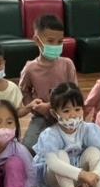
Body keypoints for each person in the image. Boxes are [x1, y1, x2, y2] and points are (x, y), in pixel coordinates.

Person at [34, 82, 100, 187]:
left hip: (83, 178)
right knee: (60, 155)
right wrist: (82, 174)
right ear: (54, 113)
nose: (73, 115)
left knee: (94, 151)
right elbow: (53, 164)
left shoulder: (88, 128)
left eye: (77, 109)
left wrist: (95, 174)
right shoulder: (50, 134)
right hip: (56, 181)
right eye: (66, 111)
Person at [19, 15, 77, 151]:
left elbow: (74, 94)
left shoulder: (67, 64)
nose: (56, 46)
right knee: (28, 147)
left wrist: (51, 106)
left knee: (74, 146)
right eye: (50, 41)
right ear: (37, 40)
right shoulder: (30, 68)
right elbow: (24, 91)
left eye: (60, 41)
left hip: (66, 115)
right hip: (41, 117)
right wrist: (33, 106)